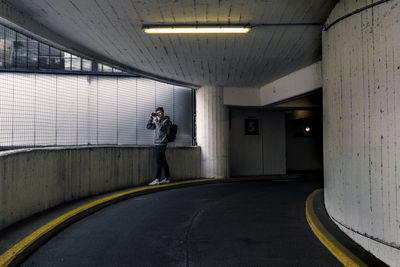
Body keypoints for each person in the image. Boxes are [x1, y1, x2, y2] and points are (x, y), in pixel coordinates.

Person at [146, 107, 171, 185]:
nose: (159, 114)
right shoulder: (158, 121)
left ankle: (157, 179)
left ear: (163, 113)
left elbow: (160, 128)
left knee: (159, 162)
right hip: (157, 143)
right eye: (157, 113)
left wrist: (156, 120)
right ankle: (167, 178)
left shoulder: (166, 121)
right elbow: (148, 126)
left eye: (160, 112)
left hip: (162, 143)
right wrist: (151, 118)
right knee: (163, 161)